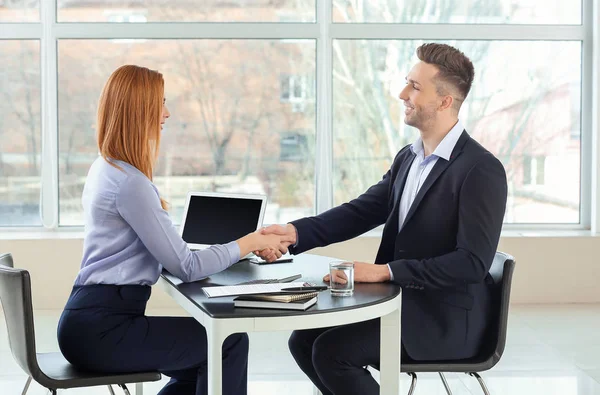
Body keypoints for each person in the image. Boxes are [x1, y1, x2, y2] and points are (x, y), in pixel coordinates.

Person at [256, 43, 508, 395]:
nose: (402, 93)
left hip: (443, 320)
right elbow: (361, 211)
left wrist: (385, 272)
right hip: (402, 303)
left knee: (333, 352)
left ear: (445, 101)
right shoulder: (409, 157)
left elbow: (471, 264)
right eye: (407, 82)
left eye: (415, 87)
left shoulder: (480, 170)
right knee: (303, 341)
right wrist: (294, 233)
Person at [57, 65, 290, 395]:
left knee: (197, 360)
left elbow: (170, 258)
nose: (166, 114)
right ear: (139, 110)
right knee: (228, 342)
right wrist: (250, 242)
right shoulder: (130, 184)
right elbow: (187, 267)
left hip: (88, 321)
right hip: (102, 331)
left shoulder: (107, 168)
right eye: (160, 104)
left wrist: (225, 249)